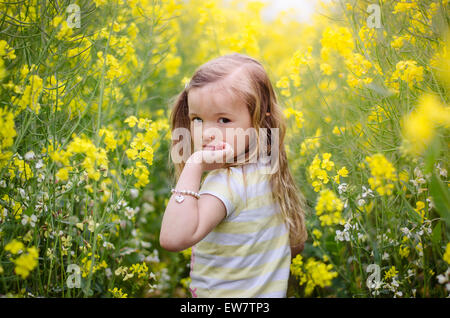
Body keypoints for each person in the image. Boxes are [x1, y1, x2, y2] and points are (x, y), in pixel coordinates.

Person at [160, 53, 307, 297]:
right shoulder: (270, 172)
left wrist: (194, 164)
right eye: (197, 119)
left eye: (224, 120)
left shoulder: (225, 184)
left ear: (260, 119)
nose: (207, 133)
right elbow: (293, 245)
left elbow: (173, 238)